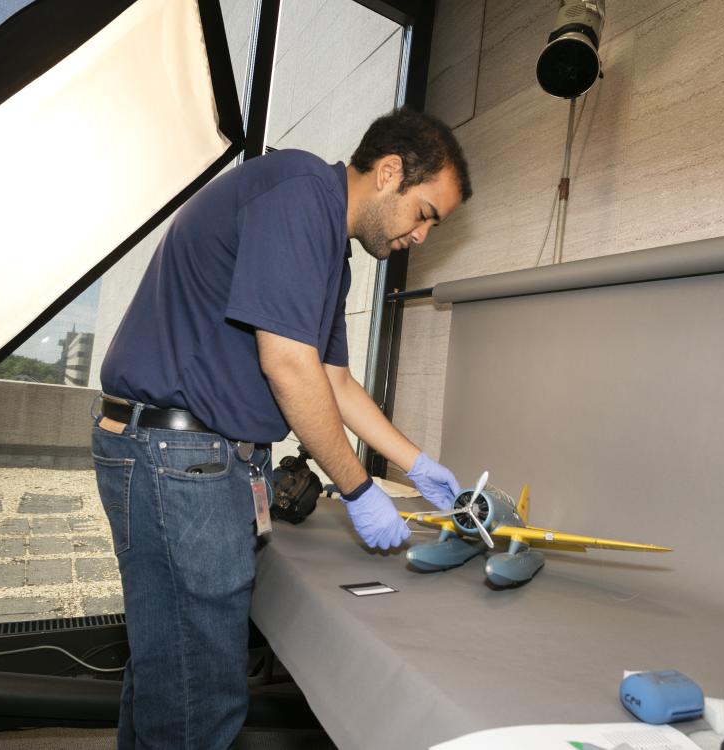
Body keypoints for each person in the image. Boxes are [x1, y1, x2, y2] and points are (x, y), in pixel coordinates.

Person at [91, 108, 472, 749]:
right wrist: (357, 490)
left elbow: (337, 383)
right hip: (178, 453)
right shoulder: (300, 195)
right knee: (200, 697)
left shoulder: (330, 247)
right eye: (426, 213)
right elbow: (289, 364)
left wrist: (419, 465)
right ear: (388, 173)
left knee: (169, 674)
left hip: (180, 452)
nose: (422, 237)